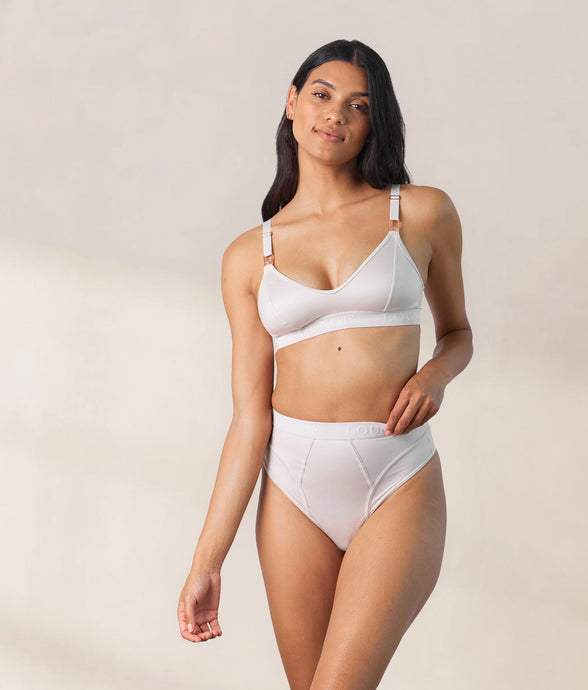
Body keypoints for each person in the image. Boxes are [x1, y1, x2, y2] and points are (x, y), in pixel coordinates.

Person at [177, 38, 473, 689]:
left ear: (374, 123)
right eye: (322, 94)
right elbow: (249, 419)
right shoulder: (248, 255)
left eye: (358, 105)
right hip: (292, 485)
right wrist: (207, 561)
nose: (336, 113)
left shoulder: (420, 213)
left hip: (396, 472)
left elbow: (457, 334)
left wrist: (435, 375)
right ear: (292, 102)